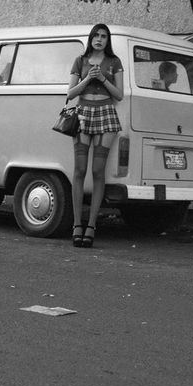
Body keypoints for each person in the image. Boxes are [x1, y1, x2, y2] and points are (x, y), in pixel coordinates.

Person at [67, 23, 124, 248]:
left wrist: (101, 78)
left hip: (106, 113)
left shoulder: (115, 62)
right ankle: (76, 224)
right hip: (82, 114)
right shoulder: (80, 61)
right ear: (90, 38)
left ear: (107, 40)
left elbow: (119, 95)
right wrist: (87, 79)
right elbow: (70, 93)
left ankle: (91, 225)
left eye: (104, 36)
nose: (99, 39)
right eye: (96, 35)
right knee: (79, 169)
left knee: (97, 171)